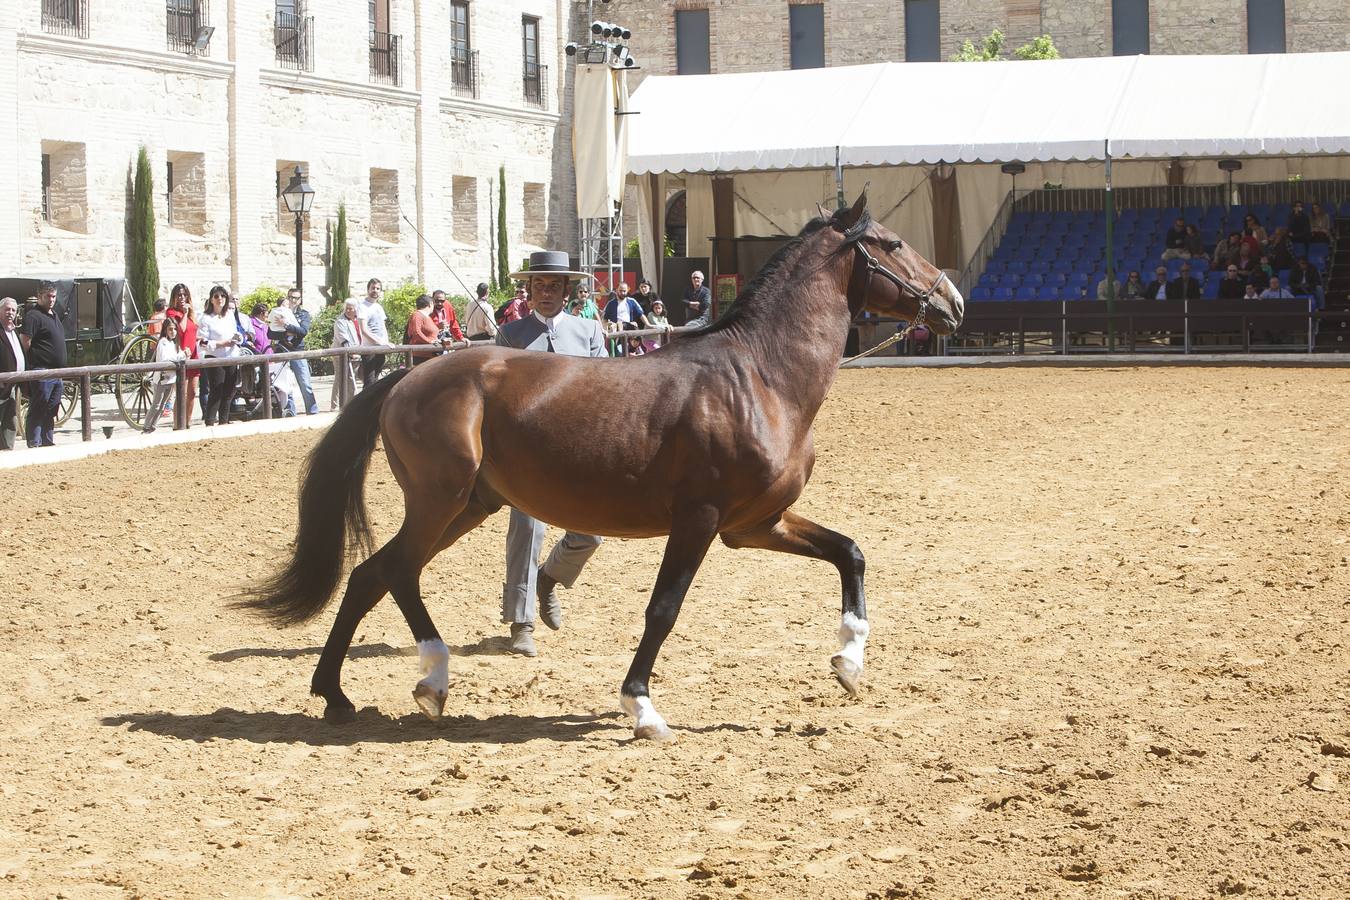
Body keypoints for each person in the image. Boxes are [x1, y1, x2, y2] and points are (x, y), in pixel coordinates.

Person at [495, 249, 606, 657]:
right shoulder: (511, 335)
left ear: (567, 290)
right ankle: (521, 622)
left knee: (592, 531)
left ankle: (548, 579)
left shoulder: (589, 331)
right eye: (538, 285)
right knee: (527, 530)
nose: (545, 292)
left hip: (578, 452)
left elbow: (603, 389)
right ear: (529, 290)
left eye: (553, 286)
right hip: (527, 453)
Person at [20, 280, 66, 448]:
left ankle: (47, 440)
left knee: (52, 408)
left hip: (57, 372)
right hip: (41, 371)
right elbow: (26, 341)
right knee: (39, 407)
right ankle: (34, 442)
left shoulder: (54, 315)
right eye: (48, 296)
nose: (52, 299)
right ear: (40, 296)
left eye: (54, 296)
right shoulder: (33, 316)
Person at [197, 285, 242, 426]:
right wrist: (222, 343)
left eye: (222, 296)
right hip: (215, 357)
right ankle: (209, 422)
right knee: (216, 392)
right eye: (216, 296)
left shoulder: (229, 315)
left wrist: (238, 338)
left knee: (229, 392)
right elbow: (201, 342)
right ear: (211, 299)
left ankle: (224, 421)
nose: (220, 299)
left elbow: (236, 332)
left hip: (232, 356)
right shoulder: (205, 318)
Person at [143, 315, 188, 433]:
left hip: (170, 379)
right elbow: (165, 359)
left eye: (174, 329)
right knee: (156, 405)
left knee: (162, 406)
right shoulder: (163, 342)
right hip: (162, 378)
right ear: (165, 330)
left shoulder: (173, 344)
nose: (173, 332)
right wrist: (182, 355)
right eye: (170, 329)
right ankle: (147, 426)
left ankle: (153, 426)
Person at [165, 284, 200, 426]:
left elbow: (193, 330)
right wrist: (185, 314)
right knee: (182, 393)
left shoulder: (191, 314)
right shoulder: (172, 313)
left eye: (185, 295)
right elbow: (182, 330)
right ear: (174, 297)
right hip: (181, 355)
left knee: (192, 393)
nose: (182, 298)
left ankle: (188, 422)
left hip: (194, 355)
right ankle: (177, 424)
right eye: (179, 295)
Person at [282, 288, 319, 414]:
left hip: (298, 350)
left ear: (300, 300)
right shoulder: (281, 312)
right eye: (291, 297)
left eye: (296, 298)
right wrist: (288, 331)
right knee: (285, 384)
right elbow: (272, 332)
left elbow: (303, 331)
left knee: (305, 382)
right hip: (283, 350)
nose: (293, 300)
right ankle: (290, 412)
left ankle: (312, 411)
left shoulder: (303, 314)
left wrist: (288, 327)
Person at [0, 297, 24, 450]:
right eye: (7, 309)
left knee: (11, 419)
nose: (10, 313)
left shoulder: (14, 331)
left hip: (13, 385)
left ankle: (7, 451)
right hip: (1, 383)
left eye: (13, 310)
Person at [357, 278, 391, 387]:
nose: (375, 290)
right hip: (369, 349)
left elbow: (383, 327)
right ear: (368, 289)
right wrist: (380, 342)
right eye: (373, 288)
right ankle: (364, 404)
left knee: (376, 380)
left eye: (378, 288)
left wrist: (386, 342)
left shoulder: (379, 307)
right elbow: (364, 329)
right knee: (369, 381)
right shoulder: (362, 306)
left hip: (380, 348)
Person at [330, 299, 363, 409]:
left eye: (351, 309)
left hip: (357, 353)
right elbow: (344, 339)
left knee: (350, 378)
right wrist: (351, 352)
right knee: (341, 378)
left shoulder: (358, 319)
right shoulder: (341, 321)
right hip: (342, 354)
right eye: (347, 308)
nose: (348, 311)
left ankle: (349, 404)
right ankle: (335, 406)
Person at [405, 294, 442, 365]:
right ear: (430, 304)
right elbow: (416, 332)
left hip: (430, 354)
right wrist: (429, 341)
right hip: (421, 355)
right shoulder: (417, 315)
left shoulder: (428, 317)